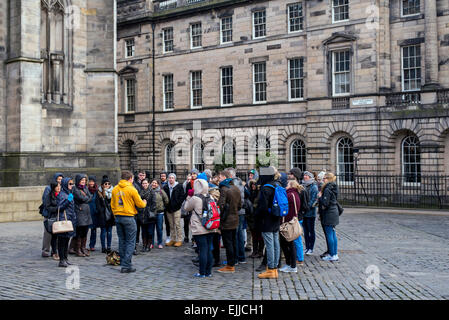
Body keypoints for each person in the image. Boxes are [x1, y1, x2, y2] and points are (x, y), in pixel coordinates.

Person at [111, 170, 147, 273]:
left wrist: (116, 214)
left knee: (122, 240)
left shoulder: (115, 189)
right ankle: (126, 265)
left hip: (118, 217)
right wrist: (144, 202)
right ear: (130, 178)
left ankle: (124, 262)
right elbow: (140, 204)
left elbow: (112, 205)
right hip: (129, 217)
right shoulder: (131, 189)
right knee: (131, 241)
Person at [184, 179, 218, 278]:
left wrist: (188, 197)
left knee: (202, 250)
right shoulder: (210, 196)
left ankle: (202, 272)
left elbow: (186, 208)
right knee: (208, 249)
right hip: (210, 226)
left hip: (199, 228)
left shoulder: (195, 198)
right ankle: (208, 272)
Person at [255, 166, 281, 279]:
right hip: (276, 217)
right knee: (276, 243)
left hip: (267, 219)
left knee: (269, 245)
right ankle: (274, 268)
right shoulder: (277, 185)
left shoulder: (265, 188)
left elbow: (262, 207)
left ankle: (270, 269)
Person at [216, 170, 242, 274]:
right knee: (233, 241)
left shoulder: (224, 189)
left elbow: (221, 205)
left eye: (220, 177)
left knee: (228, 243)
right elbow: (240, 205)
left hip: (226, 219)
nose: (219, 179)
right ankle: (234, 261)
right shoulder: (236, 188)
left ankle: (230, 265)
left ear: (224, 177)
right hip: (235, 217)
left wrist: (220, 216)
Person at [279, 180, 302, 273]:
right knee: (288, 244)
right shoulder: (294, 194)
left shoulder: (290, 195)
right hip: (291, 222)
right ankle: (290, 265)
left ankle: (291, 265)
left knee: (288, 244)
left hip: (288, 223)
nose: (286, 186)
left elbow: (286, 208)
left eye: (287, 184)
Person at [226, 167, 247, 265]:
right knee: (240, 235)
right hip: (241, 211)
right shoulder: (239, 181)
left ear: (230, 175)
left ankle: (237, 258)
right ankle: (241, 257)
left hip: (236, 211)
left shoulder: (233, 184)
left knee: (236, 235)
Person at [41, 173, 64, 258]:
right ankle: (45, 250)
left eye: (61, 179)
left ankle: (55, 251)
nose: (60, 181)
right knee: (48, 233)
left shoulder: (62, 189)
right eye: (59, 179)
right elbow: (46, 202)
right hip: (49, 215)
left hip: (57, 216)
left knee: (56, 235)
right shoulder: (48, 189)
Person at [318, 173, 340, 262]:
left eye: (324, 178)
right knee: (333, 234)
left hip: (329, 214)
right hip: (334, 212)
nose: (323, 180)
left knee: (330, 234)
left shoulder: (327, 189)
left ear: (328, 179)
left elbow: (325, 203)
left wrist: (320, 197)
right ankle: (334, 254)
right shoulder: (334, 187)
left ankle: (332, 254)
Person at [57, 177, 77, 267]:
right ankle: (61, 260)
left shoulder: (69, 193)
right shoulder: (62, 194)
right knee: (62, 241)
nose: (71, 185)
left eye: (72, 184)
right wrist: (68, 201)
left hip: (70, 219)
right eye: (69, 184)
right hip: (63, 219)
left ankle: (65, 258)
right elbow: (60, 208)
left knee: (66, 240)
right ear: (65, 184)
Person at [72, 174, 93, 257]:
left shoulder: (85, 188)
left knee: (85, 231)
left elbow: (90, 197)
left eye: (84, 180)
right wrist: (87, 198)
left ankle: (83, 247)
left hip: (86, 212)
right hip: (80, 212)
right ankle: (78, 249)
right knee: (79, 231)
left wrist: (87, 198)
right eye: (82, 180)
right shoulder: (75, 189)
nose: (83, 182)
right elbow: (82, 198)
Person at [163, 173, 185, 247]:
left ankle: (179, 239)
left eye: (172, 178)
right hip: (168, 209)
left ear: (174, 179)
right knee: (171, 225)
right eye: (169, 178)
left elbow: (182, 196)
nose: (171, 179)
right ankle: (173, 239)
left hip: (176, 208)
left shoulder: (179, 186)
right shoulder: (166, 187)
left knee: (177, 224)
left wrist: (178, 203)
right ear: (168, 179)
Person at [96, 175, 115, 253]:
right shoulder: (99, 192)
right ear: (102, 185)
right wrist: (101, 211)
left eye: (108, 183)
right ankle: (103, 247)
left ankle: (109, 247)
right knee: (103, 231)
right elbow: (97, 204)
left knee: (109, 231)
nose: (107, 185)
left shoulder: (113, 192)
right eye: (105, 184)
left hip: (110, 214)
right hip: (103, 215)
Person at [302, 171, 319, 255]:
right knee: (305, 231)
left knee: (311, 231)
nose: (305, 176)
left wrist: (306, 207)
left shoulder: (314, 187)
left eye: (306, 175)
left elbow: (313, 200)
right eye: (304, 175)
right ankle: (307, 247)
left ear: (310, 177)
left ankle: (311, 248)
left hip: (311, 213)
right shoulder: (303, 186)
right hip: (304, 213)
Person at [247, 180, 263, 259]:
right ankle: (255, 251)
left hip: (258, 217)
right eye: (252, 184)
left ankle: (260, 251)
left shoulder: (259, 193)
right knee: (254, 235)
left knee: (259, 236)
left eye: (254, 184)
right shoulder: (250, 193)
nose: (253, 186)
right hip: (251, 217)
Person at [139, 178, 156, 252]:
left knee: (150, 231)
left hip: (149, 214)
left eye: (146, 183)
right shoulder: (139, 192)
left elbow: (154, 203)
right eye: (143, 183)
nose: (144, 185)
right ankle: (144, 245)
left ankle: (149, 245)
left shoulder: (152, 192)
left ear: (148, 183)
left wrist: (148, 208)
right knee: (143, 231)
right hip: (142, 214)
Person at [151, 179, 169, 249]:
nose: (154, 184)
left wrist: (163, 206)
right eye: (153, 183)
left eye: (155, 183)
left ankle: (160, 242)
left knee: (159, 228)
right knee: (151, 229)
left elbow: (166, 200)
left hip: (159, 213)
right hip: (151, 213)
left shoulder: (161, 191)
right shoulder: (149, 191)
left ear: (158, 184)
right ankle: (151, 243)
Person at [184, 169, 199, 243]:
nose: (193, 175)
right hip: (191, 204)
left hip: (198, 205)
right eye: (192, 174)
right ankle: (192, 239)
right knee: (191, 222)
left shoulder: (199, 182)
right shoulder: (189, 184)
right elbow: (187, 194)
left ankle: (196, 239)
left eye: (194, 174)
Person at [87, 175, 99, 251]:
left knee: (94, 230)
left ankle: (92, 245)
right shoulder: (85, 190)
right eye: (90, 181)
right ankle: (82, 245)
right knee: (84, 230)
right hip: (87, 213)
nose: (91, 183)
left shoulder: (97, 191)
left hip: (94, 213)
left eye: (92, 181)